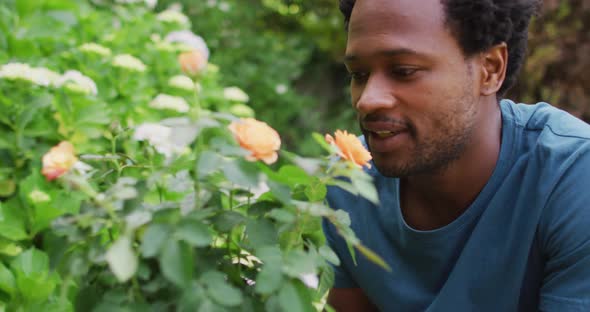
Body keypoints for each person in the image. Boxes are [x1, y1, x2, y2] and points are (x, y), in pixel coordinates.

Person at [322, 0, 590, 311]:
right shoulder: (348, 180)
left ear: (490, 69)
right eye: (359, 74)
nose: (367, 100)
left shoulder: (572, 179)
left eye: (403, 71)